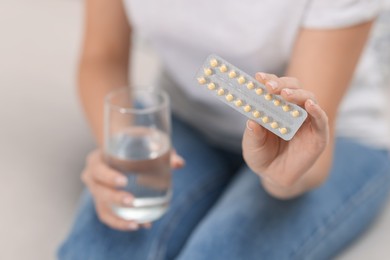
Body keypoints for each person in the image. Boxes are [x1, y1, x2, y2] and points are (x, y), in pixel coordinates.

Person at [58, 0, 390, 259]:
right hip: (191, 117)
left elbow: (304, 157)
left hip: (332, 139)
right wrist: (125, 147)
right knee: (95, 252)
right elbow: (103, 55)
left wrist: (280, 174)